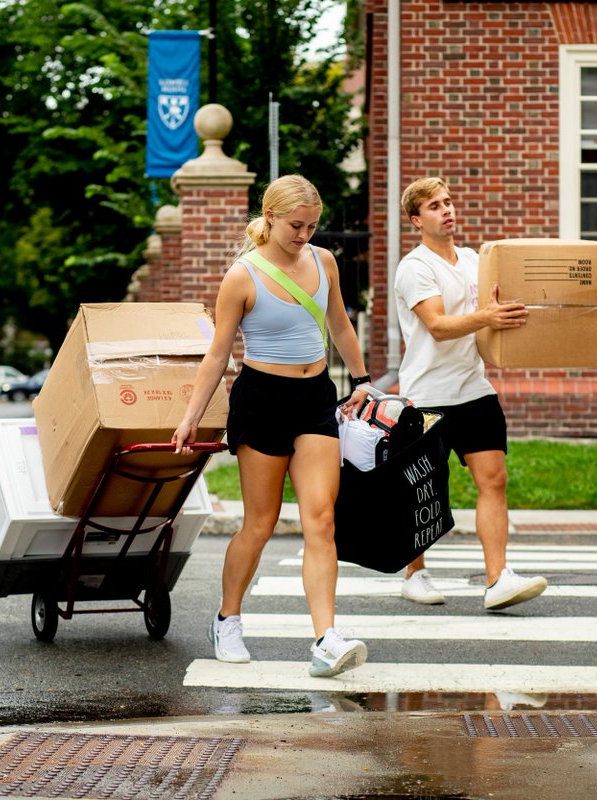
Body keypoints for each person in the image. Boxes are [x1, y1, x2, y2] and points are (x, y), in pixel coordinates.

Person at [172, 174, 373, 677]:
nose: (304, 235)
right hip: (261, 401)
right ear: (270, 216)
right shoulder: (242, 277)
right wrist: (191, 417)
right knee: (260, 524)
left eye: (312, 226)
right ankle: (227, 619)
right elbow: (218, 353)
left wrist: (363, 380)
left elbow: (339, 324)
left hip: (315, 399)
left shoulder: (324, 262)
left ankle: (326, 639)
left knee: (321, 520)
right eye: (295, 226)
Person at [392, 177, 548, 611]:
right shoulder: (415, 267)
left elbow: (491, 313)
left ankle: (497, 579)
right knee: (424, 489)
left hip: (474, 388)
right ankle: (414, 574)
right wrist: (487, 317)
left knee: (494, 480)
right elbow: (439, 327)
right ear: (416, 220)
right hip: (428, 394)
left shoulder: (474, 261)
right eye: (434, 206)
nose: (446, 210)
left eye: (448, 202)